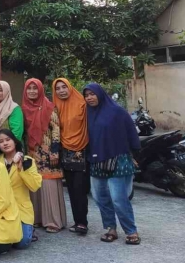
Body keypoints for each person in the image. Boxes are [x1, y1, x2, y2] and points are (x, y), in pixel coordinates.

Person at [83, 83, 141, 245]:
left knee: (118, 197)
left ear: (100, 94)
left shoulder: (117, 111)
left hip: (117, 159)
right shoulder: (86, 113)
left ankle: (131, 231)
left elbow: (131, 132)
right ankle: (110, 229)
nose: (89, 97)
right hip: (96, 160)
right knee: (100, 197)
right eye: (86, 95)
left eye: (92, 94)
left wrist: (135, 154)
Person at [22, 78, 66, 233]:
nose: (32, 91)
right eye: (29, 88)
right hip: (32, 152)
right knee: (34, 184)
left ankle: (53, 221)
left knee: (49, 186)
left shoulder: (49, 106)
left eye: (35, 88)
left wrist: (54, 151)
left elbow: (56, 129)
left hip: (48, 153)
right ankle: (37, 219)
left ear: (40, 90)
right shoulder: (24, 108)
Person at [53, 77, 90, 235]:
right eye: (58, 88)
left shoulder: (83, 103)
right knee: (71, 189)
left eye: (64, 87)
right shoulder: (55, 106)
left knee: (80, 188)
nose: (61, 91)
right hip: (64, 151)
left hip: (82, 149)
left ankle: (82, 222)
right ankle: (77, 221)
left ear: (70, 87)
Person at [0, 129, 42, 249]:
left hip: (21, 208)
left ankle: (29, 230)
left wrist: (21, 169)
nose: (5, 143)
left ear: (15, 141)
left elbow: (35, 186)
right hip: (2, 208)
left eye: (8, 140)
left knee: (22, 243)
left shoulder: (27, 161)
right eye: (1, 141)